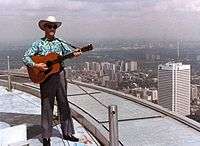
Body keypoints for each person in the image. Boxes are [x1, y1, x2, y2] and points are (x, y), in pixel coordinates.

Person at [22, 16, 81, 146]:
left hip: (59, 74)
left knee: (64, 103)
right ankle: (46, 137)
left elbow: (70, 53)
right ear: (44, 28)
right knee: (47, 105)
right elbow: (25, 57)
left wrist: (75, 53)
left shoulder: (60, 42)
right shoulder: (38, 43)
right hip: (46, 76)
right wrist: (36, 65)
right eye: (49, 26)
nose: (52, 28)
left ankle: (67, 132)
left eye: (54, 26)